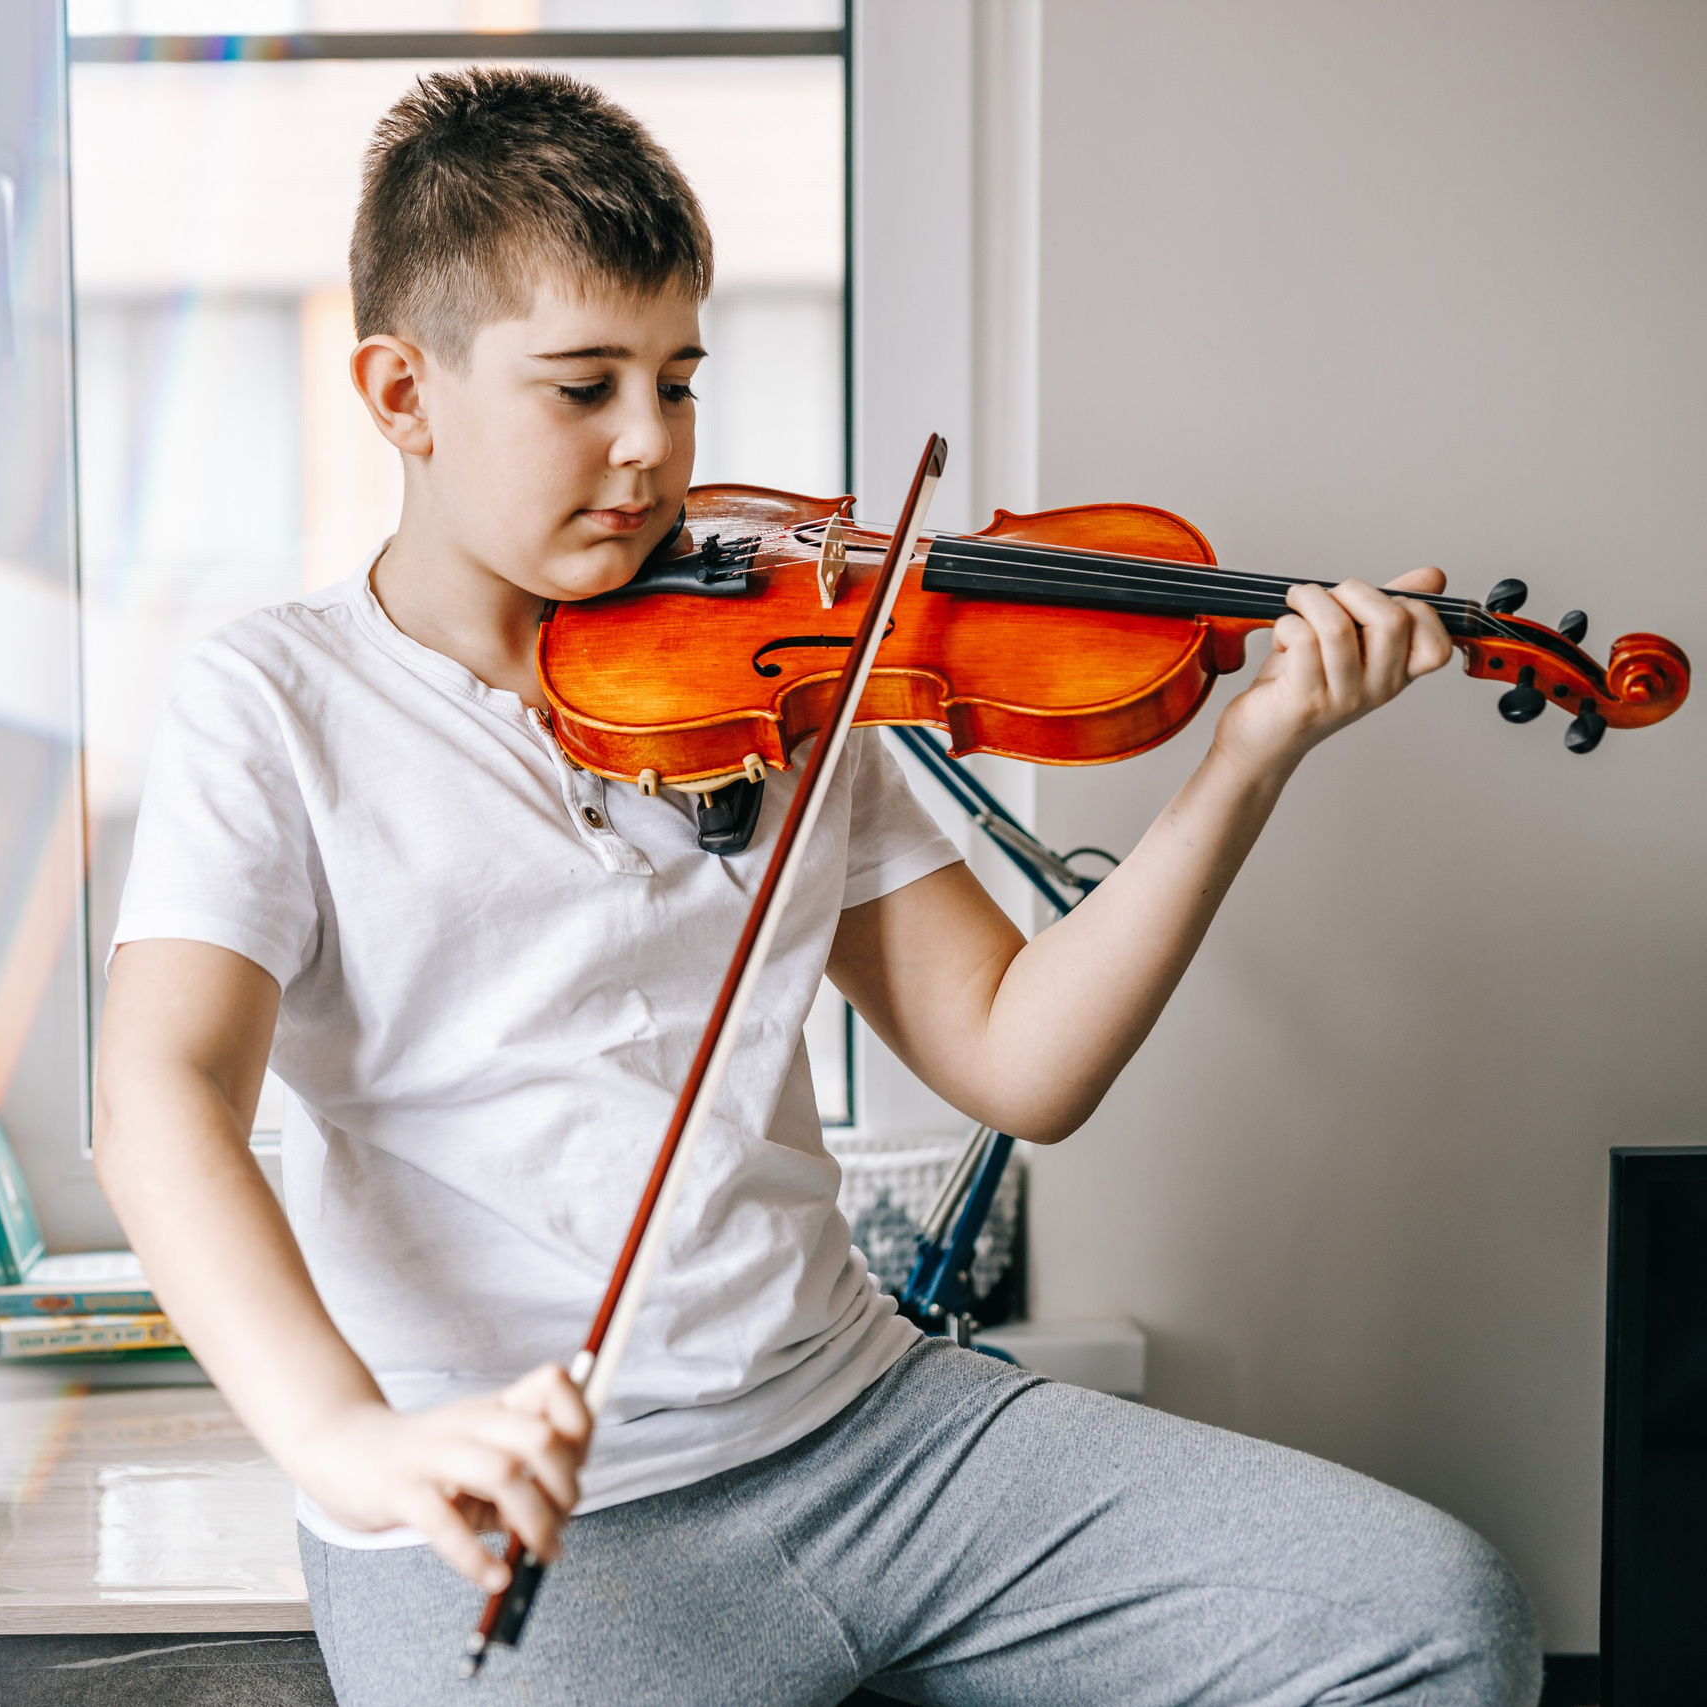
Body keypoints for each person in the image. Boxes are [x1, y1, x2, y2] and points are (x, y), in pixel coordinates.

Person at [93, 68, 1539, 1707]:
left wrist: (1249, 757)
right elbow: (159, 1101)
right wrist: (352, 1441)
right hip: (522, 1513)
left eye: (679, 381)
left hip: (870, 1429)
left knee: (1433, 1614)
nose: (651, 450)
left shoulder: (777, 672)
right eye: (583, 388)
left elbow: (1020, 1060)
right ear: (401, 391)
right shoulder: (274, 702)